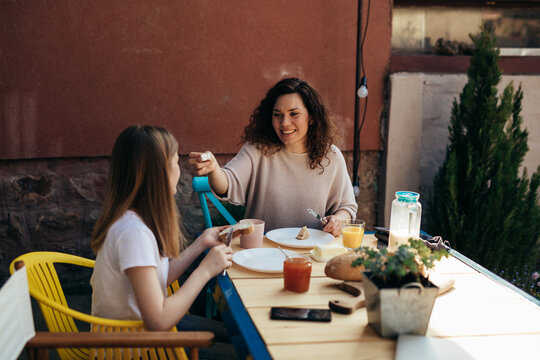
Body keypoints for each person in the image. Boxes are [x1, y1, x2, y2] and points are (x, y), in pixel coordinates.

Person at [90, 125, 236, 359]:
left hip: (138, 338)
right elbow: (158, 320)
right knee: (240, 351)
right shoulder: (133, 234)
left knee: (237, 335)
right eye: (175, 162)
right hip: (135, 351)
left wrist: (200, 244)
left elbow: (160, 278)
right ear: (159, 174)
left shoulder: (133, 220)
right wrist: (205, 270)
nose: (179, 171)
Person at [189, 78, 357, 235]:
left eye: (294, 114)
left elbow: (347, 207)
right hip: (262, 253)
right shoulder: (257, 150)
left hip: (314, 254)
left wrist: (338, 220)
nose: (284, 123)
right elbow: (227, 183)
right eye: (277, 114)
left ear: (311, 117)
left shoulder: (331, 156)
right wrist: (213, 169)